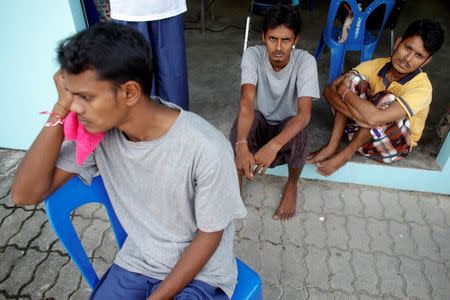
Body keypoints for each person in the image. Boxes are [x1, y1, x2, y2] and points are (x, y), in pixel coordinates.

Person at [11, 22, 246, 300]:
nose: (75, 107)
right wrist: (59, 109)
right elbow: (24, 194)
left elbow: (209, 236)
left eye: (85, 97)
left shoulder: (206, 148)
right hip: (139, 262)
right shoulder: (98, 135)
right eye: (70, 94)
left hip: (202, 273)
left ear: (130, 93)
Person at [307, 19, 444, 176]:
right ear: (397, 43)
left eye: (418, 55)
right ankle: (332, 145)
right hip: (360, 129)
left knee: (386, 100)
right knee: (352, 80)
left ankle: (345, 155)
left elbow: (374, 118)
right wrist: (355, 112)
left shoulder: (422, 88)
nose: (408, 58)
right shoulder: (378, 65)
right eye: (407, 48)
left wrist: (345, 92)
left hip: (392, 144)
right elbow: (329, 91)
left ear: (426, 61)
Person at [230, 5, 320, 221]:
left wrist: (274, 145)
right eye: (272, 39)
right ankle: (235, 184)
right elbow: (246, 104)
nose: (278, 47)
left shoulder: (305, 61)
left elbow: (304, 114)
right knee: (239, 128)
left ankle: (291, 185)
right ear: (263, 37)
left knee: (300, 131)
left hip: (286, 129)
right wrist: (242, 145)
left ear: (295, 39)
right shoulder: (252, 55)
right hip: (259, 122)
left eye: (286, 40)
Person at [110, 0, 189, 110]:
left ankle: (175, 121)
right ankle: (141, 121)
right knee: (135, 75)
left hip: (167, 7)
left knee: (172, 75)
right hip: (128, 9)